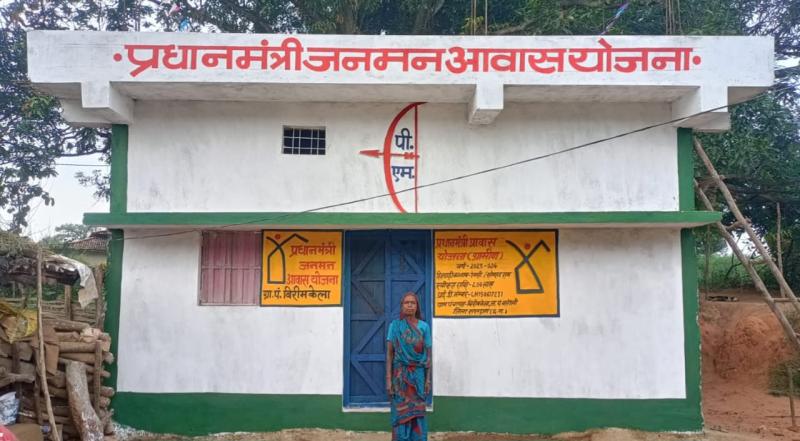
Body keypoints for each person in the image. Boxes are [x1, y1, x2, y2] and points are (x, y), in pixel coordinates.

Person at [385, 292, 432, 441]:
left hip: (418, 375)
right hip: (399, 376)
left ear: (417, 307)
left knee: (418, 410)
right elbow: (390, 354)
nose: (410, 305)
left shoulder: (424, 327)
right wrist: (388, 379)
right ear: (402, 306)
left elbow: (428, 355)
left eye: (413, 303)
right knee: (400, 410)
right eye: (407, 302)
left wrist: (428, 380)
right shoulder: (395, 326)